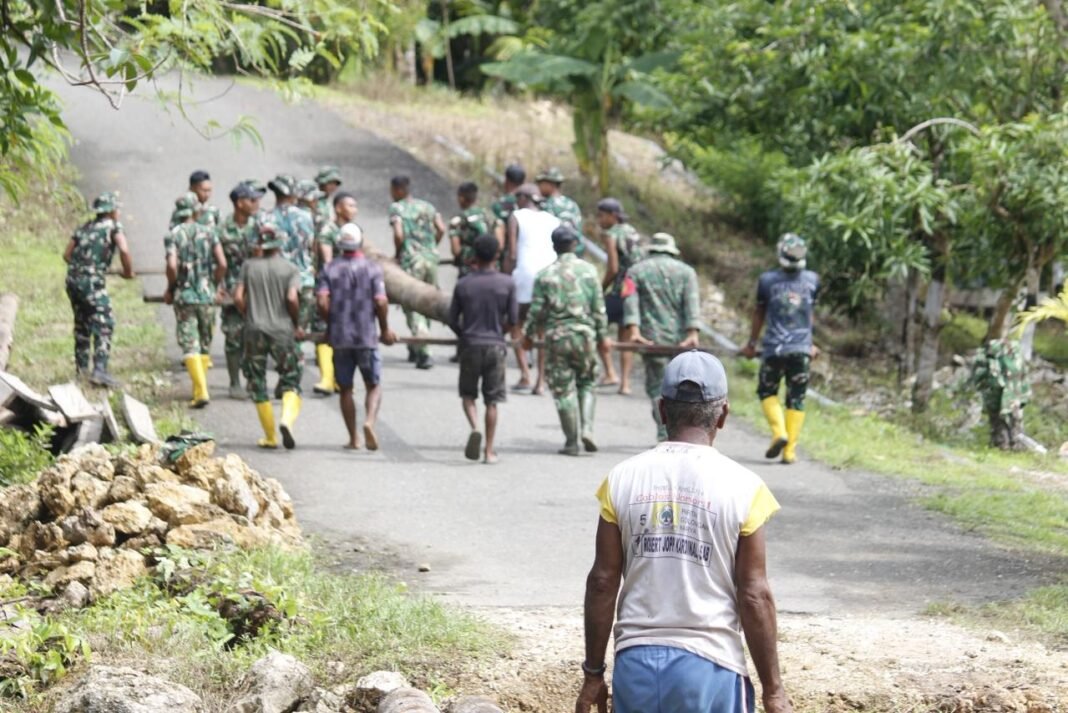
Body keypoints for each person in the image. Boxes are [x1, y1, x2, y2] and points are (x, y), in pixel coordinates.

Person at [576, 350, 792, 713]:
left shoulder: (620, 480)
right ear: (722, 414)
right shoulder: (746, 488)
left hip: (636, 665)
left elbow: (602, 581)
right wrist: (773, 691)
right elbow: (754, 595)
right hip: (712, 668)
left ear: (662, 410)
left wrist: (594, 675)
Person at [523, 226, 608, 455]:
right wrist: (602, 336)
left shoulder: (545, 275)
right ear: (575, 244)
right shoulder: (589, 272)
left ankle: (571, 442)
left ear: (554, 246)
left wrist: (528, 336)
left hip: (557, 338)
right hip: (585, 336)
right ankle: (588, 429)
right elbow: (599, 309)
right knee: (587, 382)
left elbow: (537, 311)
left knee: (563, 390)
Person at [741, 233, 820, 465]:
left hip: (774, 348)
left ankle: (779, 433)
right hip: (801, 349)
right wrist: (810, 343)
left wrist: (751, 343)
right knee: (797, 398)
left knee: (767, 391)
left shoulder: (767, 281)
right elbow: (808, 314)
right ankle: (790, 452)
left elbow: (759, 313)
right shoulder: (813, 280)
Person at [317, 224, 397, 451]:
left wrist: (330, 323)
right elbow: (380, 301)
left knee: (345, 389)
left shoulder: (329, 269)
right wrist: (385, 329)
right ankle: (370, 420)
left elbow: (322, 301)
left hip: (340, 337)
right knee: (373, 384)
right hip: (365, 336)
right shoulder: (372, 269)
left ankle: (354, 438)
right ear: (360, 242)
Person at [623, 233, 701, 442]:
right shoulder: (687, 272)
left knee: (657, 387)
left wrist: (634, 331)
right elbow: (691, 303)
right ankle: (674, 433)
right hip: (679, 342)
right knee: (680, 387)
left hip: (651, 339)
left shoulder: (635, 271)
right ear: (671, 250)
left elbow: (630, 302)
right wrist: (692, 332)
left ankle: (663, 432)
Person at [234, 219, 304, 449]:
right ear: (279, 244)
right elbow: (292, 298)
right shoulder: (290, 268)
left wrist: (249, 314)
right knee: (290, 377)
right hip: (282, 330)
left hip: (254, 330)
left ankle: (271, 436)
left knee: (257, 381)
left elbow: (237, 297)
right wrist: (296, 322)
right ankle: (286, 419)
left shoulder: (248, 266)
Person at [448, 234, 518, 464]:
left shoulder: (464, 283)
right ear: (497, 254)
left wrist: (464, 334)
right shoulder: (507, 283)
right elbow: (514, 319)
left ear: (474, 256)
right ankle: (488, 451)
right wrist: (500, 333)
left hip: (470, 344)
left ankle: (474, 425)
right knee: (492, 400)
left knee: (468, 394)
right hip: (495, 346)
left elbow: (452, 319)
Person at [64, 191, 135, 387]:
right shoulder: (113, 227)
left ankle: (81, 371)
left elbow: (67, 255)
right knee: (105, 322)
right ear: (112, 211)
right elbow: (124, 249)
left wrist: (86, 265)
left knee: (82, 324)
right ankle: (100, 370)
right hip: (91, 282)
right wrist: (128, 271)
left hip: (73, 280)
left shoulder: (85, 227)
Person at [165, 193, 227, 408]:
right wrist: (214, 285)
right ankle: (200, 388)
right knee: (204, 341)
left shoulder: (173, 234)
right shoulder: (209, 232)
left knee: (190, 343)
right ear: (196, 211)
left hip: (185, 296)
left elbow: (172, 266)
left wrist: (171, 288)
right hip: (207, 295)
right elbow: (222, 263)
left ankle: (200, 391)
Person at [505, 183, 560, 394]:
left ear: (523, 198)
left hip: (526, 274)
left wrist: (507, 279)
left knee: (516, 323)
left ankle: (525, 375)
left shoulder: (517, 216)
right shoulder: (552, 219)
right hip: (548, 274)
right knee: (542, 330)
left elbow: (511, 253)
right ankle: (541, 381)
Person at [389, 175, 446, 370]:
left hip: (411, 260)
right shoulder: (427, 206)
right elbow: (441, 228)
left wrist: (399, 253)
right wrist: (431, 247)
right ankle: (417, 343)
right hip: (430, 259)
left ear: (397, 190)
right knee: (428, 300)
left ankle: (424, 350)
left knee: (412, 303)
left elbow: (398, 233)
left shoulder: (397, 208)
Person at [269, 173, 317, 395]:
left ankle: (286, 378)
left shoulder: (266, 219)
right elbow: (312, 248)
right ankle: (291, 382)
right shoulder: (307, 217)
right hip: (305, 282)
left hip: (277, 283)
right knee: (297, 334)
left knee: (279, 333)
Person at [218, 182, 263, 399]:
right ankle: (234, 381)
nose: (257, 204)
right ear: (239, 203)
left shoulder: (261, 226)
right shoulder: (222, 228)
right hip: (230, 291)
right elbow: (214, 262)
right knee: (233, 336)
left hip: (256, 291)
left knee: (256, 338)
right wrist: (217, 287)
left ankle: (254, 380)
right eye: (252, 200)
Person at [312, 191, 360, 395]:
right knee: (324, 329)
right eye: (350, 205)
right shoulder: (328, 230)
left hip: (349, 290)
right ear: (338, 208)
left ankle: (342, 378)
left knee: (347, 333)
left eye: (355, 206)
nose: (353, 210)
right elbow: (328, 261)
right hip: (329, 287)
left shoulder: (354, 230)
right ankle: (326, 378)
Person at [599, 197, 644, 394]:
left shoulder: (611, 234)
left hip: (619, 291)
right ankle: (625, 384)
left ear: (613, 216)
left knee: (597, 327)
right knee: (626, 338)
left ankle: (610, 372)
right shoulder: (633, 232)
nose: (599, 220)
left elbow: (613, 268)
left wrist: (600, 289)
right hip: (634, 291)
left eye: (601, 215)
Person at [964, 338, 1031, 450]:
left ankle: (1006, 445)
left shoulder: (992, 358)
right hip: (1011, 395)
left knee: (1004, 421)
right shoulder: (1015, 357)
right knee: (1010, 421)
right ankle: (1010, 445)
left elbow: (982, 378)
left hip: (1004, 395)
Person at [449, 181, 492, 279]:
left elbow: (456, 250)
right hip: (489, 268)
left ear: (461, 198)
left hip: (468, 271)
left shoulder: (458, 220)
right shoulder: (488, 216)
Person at [536, 167, 584, 253]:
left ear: (551, 184)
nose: (538, 187)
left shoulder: (546, 205)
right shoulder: (572, 204)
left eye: (541, 183)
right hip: (576, 251)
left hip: (556, 254)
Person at [491, 163, 525, 270]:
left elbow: (498, 237)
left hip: (505, 259)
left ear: (506, 181)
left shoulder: (499, 205)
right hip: (525, 256)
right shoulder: (528, 203)